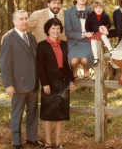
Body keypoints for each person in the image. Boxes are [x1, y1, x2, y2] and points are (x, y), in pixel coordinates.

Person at [0, 10, 43, 149]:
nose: (24, 21)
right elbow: (5, 64)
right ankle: (17, 142)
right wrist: (8, 85)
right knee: (17, 113)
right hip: (18, 84)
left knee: (32, 112)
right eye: (21, 19)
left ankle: (32, 139)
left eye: (26, 18)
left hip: (33, 82)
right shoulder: (9, 38)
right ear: (14, 21)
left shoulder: (31, 37)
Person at [37, 18, 75, 149]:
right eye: (53, 28)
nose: (55, 31)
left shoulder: (64, 44)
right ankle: (48, 141)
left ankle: (58, 141)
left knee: (61, 113)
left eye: (58, 28)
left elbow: (68, 65)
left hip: (63, 82)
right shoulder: (42, 45)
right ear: (48, 30)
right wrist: (44, 83)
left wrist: (71, 81)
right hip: (49, 82)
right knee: (48, 112)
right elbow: (40, 67)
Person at [1, 0, 66, 44]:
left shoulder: (60, 14)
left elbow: (62, 33)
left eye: (59, 3)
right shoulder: (38, 14)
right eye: (54, 3)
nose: (56, 6)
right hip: (41, 50)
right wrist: (8, 33)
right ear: (48, 4)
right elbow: (24, 26)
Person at [64, 0, 93, 80]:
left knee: (85, 60)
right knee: (73, 61)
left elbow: (97, 25)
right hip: (74, 42)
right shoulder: (68, 12)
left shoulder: (91, 10)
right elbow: (68, 33)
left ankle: (86, 69)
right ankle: (75, 70)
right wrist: (83, 34)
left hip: (88, 42)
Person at [85, 0, 113, 67]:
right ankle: (96, 58)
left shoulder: (105, 15)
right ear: (93, 9)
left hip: (102, 31)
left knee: (103, 36)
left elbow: (109, 24)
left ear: (103, 8)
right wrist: (89, 32)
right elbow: (87, 25)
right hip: (94, 33)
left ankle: (110, 50)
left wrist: (105, 28)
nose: (98, 9)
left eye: (100, 7)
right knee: (93, 42)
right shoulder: (90, 16)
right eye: (96, 8)